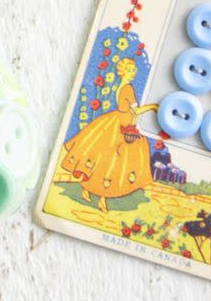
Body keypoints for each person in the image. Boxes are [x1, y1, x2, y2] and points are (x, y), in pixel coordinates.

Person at [58, 58, 158, 212]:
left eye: (133, 70)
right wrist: (152, 107)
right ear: (125, 72)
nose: (133, 73)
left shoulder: (121, 86)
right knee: (112, 162)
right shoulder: (128, 89)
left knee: (106, 159)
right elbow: (135, 111)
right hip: (120, 126)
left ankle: (86, 189)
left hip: (120, 122)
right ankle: (102, 199)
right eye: (131, 70)